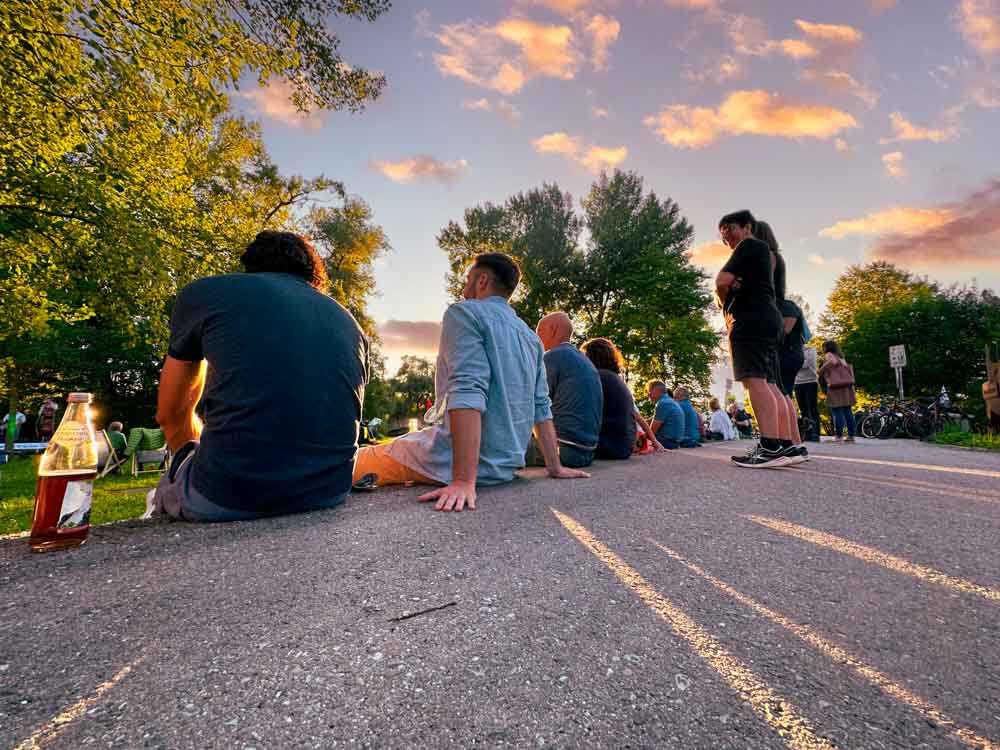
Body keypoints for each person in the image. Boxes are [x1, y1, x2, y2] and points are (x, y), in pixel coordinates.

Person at [152, 230, 370, 522]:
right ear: (313, 275)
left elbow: (171, 413)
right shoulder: (351, 324)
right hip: (328, 493)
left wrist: (191, 463)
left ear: (251, 266)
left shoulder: (206, 294)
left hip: (223, 497)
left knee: (166, 488)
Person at [352, 253, 589, 512]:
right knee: (411, 438)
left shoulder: (464, 313)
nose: (464, 289)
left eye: (467, 280)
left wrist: (463, 481)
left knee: (358, 460)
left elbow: (467, 389)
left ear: (482, 280)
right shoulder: (530, 338)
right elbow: (541, 406)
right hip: (506, 468)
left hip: (456, 463)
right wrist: (554, 467)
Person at [715, 210, 802, 467]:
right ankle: (785, 445)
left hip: (749, 320)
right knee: (771, 384)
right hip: (767, 319)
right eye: (722, 235)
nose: (726, 237)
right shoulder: (766, 254)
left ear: (747, 227)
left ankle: (770, 447)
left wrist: (724, 301)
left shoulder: (749, 246)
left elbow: (721, 280)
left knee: (754, 381)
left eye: (729, 229)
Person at [754, 220, 806, 454]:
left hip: (783, 351)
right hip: (793, 353)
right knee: (784, 393)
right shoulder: (775, 257)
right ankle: (793, 443)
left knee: (776, 391)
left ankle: (780, 444)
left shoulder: (765, 257)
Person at [527, 311, 602, 468]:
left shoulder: (553, 357)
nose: (536, 337)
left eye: (539, 331)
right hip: (588, 451)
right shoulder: (585, 361)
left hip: (563, 449)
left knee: (494, 444)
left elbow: (531, 403)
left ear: (553, 329)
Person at [580, 337, 663, 459]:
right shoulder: (617, 380)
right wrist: (655, 442)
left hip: (607, 447)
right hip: (624, 447)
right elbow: (635, 415)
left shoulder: (596, 378)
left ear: (590, 357)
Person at [818, 340, 857, 443]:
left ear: (826, 347)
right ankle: (851, 435)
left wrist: (821, 369)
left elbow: (830, 364)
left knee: (837, 411)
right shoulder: (841, 356)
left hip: (836, 388)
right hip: (846, 387)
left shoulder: (829, 355)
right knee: (848, 411)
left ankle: (839, 436)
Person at [794, 347, 821, 442]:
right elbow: (793, 364)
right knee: (803, 409)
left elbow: (810, 364)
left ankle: (816, 433)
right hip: (797, 383)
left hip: (811, 382)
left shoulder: (811, 350)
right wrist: (801, 362)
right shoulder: (794, 350)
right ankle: (807, 433)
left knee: (813, 408)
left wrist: (799, 363)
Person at [647, 381, 683, 449]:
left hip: (666, 442)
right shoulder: (670, 401)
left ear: (656, 391)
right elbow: (653, 419)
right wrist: (640, 422)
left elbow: (651, 432)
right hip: (675, 442)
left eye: (649, 392)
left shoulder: (662, 403)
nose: (648, 395)